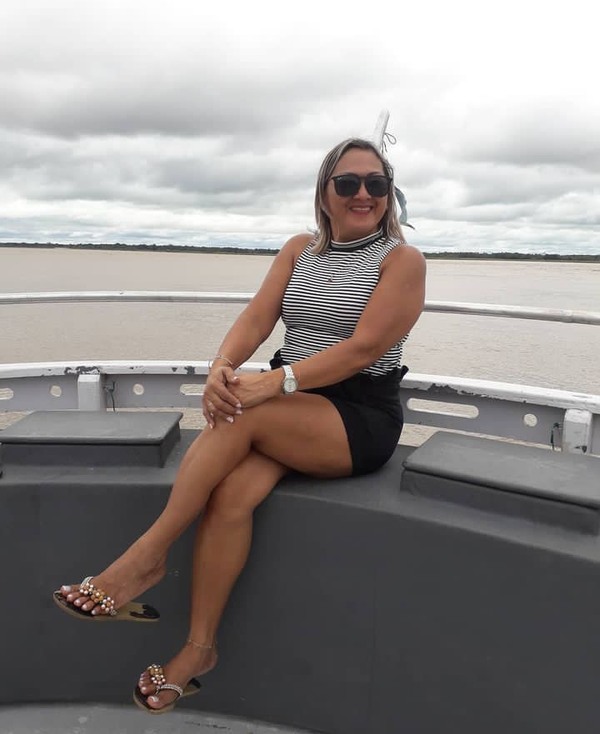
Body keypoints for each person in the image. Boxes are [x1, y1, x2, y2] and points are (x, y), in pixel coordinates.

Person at [54, 137, 426, 713]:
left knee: (245, 411)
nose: (363, 194)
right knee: (231, 497)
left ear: (388, 194)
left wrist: (274, 383)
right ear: (324, 192)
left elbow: (364, 348)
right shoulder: (300, 249)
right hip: (291, 406)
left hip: (356, 414)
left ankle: (147, 556)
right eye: (348, 182)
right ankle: (199, 650)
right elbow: (257, 316)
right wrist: (222, 367)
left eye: (376, 184)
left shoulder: (402, 260)